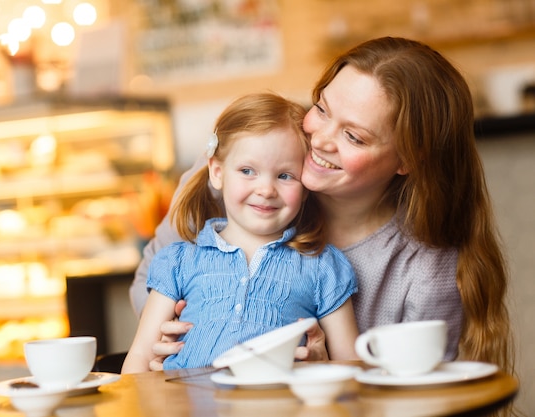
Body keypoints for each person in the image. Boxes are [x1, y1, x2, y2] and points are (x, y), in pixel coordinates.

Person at [129, 37, 514, 382]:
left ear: (408, 159)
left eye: (353, 136)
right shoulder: (245, 165)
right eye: (322, 108)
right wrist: (182, 335)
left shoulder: (425, 270)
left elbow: (419, 399)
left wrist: (329, 376)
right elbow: (152, 275)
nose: (320, 140)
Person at [122, 93, 359, 374]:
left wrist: (323, 365)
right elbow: (139, 356)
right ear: (218, 172)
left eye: (285, 176)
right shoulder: (177, 261)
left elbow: (353, 368)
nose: (266, 189)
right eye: (248, 171)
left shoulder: (323, 265)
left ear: (306, 185)